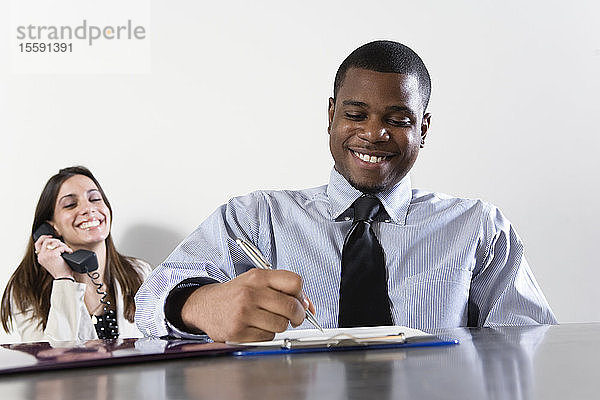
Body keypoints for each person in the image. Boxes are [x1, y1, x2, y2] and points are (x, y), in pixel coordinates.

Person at [134, 41, 557, 343]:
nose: (374, 133)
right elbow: (151, 297)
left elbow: (529, 343)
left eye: (399, 119)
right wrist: (198, 305)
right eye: (356, 114)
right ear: (331, 114)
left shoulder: (479, 227)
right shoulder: (255, 217)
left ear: (423, 129)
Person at [1, 166, 151, 341]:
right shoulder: (27, 287)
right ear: (51, 227)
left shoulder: (139, 272)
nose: (88, 209)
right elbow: (51, 358)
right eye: (70, 204)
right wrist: (63, 279)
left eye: (95, 199)